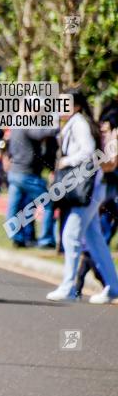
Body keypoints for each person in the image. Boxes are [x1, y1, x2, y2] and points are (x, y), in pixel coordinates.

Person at [46, 89, 118, 303]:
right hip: (91, 186)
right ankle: (113, 286)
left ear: (77, 106)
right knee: (95, 239)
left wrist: (65, 162)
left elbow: (87, 152)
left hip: (88, 188)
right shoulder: (74, 123)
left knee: (70, 235)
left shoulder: (78, 123)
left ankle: (68, 287)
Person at [72, 104, 118, 298]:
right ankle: (85, 284)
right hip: (109, 198)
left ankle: (81, 285)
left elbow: (110, 164)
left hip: (111, 198)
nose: (104, 134)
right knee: (96, 240)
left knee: (96, 241)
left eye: (106, 130)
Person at [4, 124, 59, 248]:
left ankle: (18, 238)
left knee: (16, 206)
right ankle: (46, 239)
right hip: (27, 173)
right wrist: (57, 127)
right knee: (49, 202)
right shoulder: (26, 123)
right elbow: (39, 133)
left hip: (15, 171)